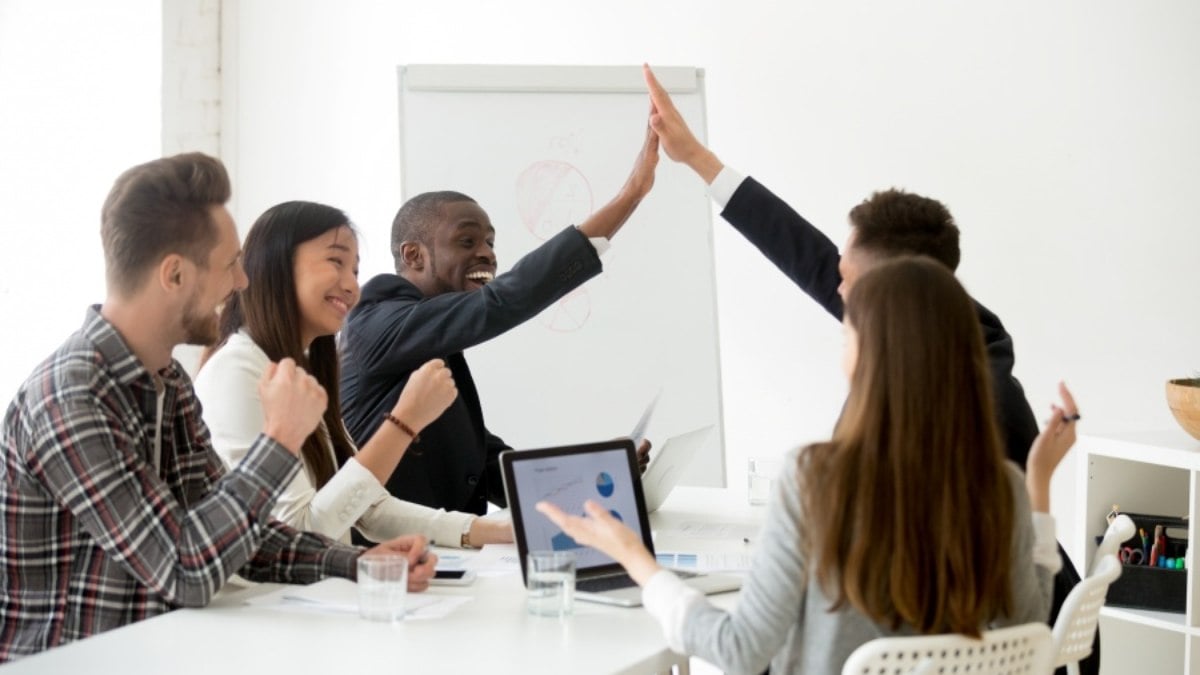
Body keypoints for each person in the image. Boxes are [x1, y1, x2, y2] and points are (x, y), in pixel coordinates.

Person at [641, 64, 1094, 675]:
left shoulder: (967, 394)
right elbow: (810, 257)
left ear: (889, 297)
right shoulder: (950, 347)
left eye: (849, 286)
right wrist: (697, 158)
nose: (837, 289)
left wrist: (638, 562)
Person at [539, 256, 1072, 674]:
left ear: (872, 356)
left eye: (847, 335)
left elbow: (740, 652)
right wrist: (1040, 482)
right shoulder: (1001, 484)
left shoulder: (816, 479)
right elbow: (1030, 621)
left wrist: (636, 559)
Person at [0, 154, 435, 662]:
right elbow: (187, 569)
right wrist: (278, 442)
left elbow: (235, 534)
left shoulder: (170, 385)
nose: (242, 283)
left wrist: (357, 563)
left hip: (161, 653)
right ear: (175, 275)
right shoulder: (72, 395)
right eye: (230, 263)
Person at [339, 117, 659, 527]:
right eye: (467, 241)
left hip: (449, 560)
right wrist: (630, 195)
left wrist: (596, 470)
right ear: (414, 255)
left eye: (490, 242)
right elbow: (503, 301)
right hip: (388, 565)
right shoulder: (376, 316)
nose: (487, 254)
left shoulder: (433, 343)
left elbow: (488, 469)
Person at [195, 200, 512, 548]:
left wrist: (491, 532)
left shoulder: (303, 373)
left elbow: (367, 509)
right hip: (269, 599)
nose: (351, 286)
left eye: (356, 271)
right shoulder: (236, 372)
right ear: (276, 265)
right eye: (336, 262)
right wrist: (405, 421)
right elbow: (300, 534)